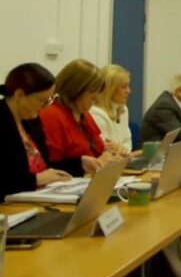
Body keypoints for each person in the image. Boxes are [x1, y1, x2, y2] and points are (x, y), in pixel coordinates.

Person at [39, 59, 124, 176]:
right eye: (92, 95)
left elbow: (99, 149)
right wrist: (86, 164)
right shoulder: (51, 116)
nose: (94, 101)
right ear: (76, 90)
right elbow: (50, 165)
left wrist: (108, 154)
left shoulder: (84, 114)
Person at [0, 63, 72, 199]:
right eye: (42, 101)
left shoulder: (31, 120)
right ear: (19, 94)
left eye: (49, 101)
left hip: (37, 198)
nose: (45, 107)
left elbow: (45, 167)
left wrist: (80, 162)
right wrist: (35, 180)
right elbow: (6, 179)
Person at [90, 64, 136, 155]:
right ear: (109, 90)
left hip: (120, 161)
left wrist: (121, 148)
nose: (128, 91)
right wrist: (121, 149)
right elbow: (106, 149)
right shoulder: (95, 113)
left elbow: (128, 141)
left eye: (128, 86)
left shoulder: (123, 109)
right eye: (123, 87)